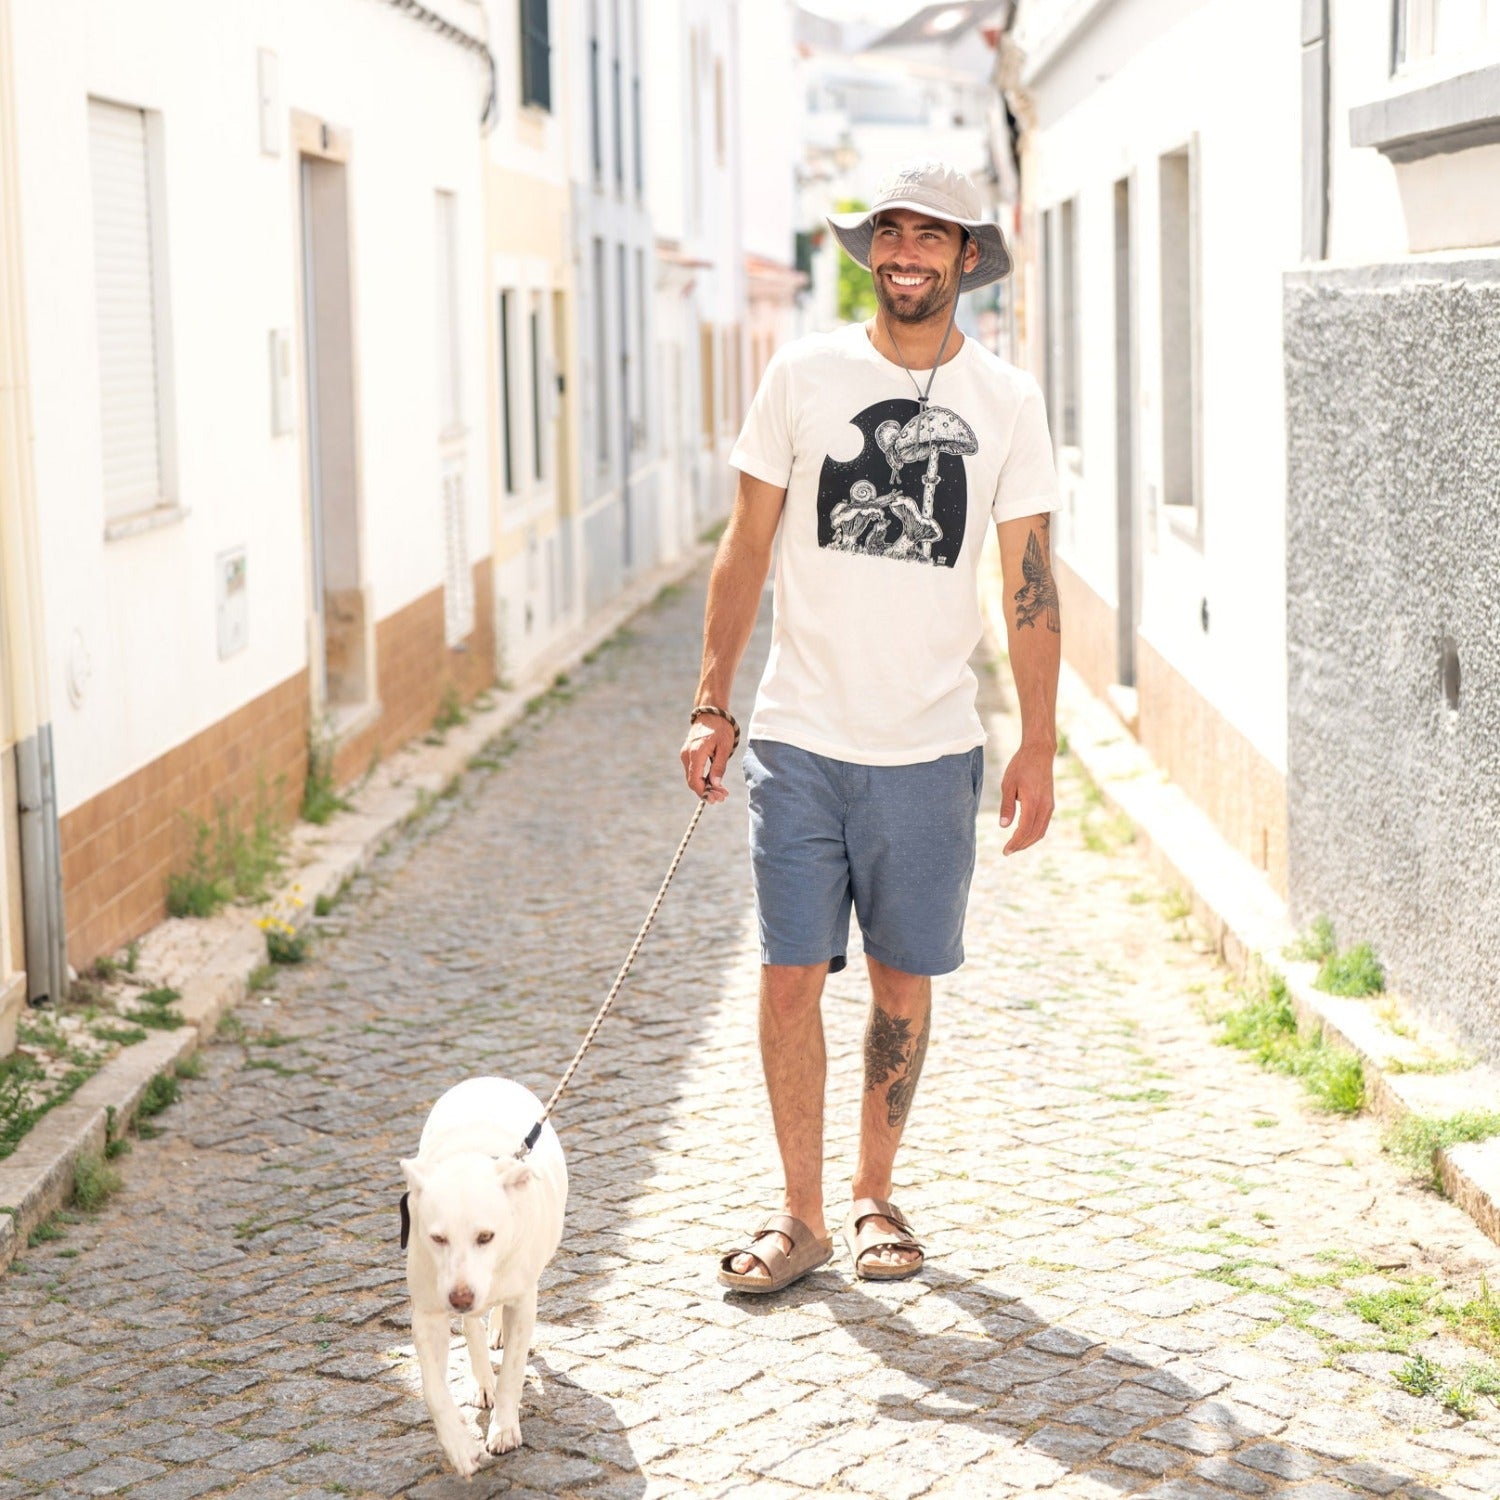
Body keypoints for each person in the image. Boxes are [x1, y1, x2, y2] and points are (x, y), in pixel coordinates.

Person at [679, 159, 1062, 1293]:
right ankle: (799, 1214)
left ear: (965, 258)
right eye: (888, 231)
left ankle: (872, 1197)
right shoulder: (801, 375)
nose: (906, 251)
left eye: (928, 235)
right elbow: (745, 546)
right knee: (791, 975)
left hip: (931, 746)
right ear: (871, 253)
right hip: (800, 741)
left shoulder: (1007, 401)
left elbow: (1031, 577)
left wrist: (1038, 739)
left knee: (903, 979)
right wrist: (711, 697)